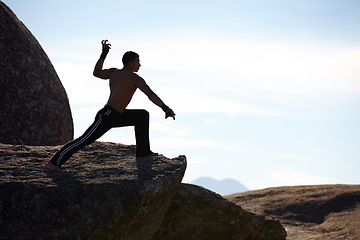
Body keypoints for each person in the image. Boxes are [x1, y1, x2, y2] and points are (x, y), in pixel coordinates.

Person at [43, 40, 175, 172]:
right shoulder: (133, 78)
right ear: (130, 63)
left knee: (142, 115)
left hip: (118, 115)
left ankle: (143, 151)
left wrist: (104, 55)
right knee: (84, 139)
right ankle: (54, 162)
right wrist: (165, 108)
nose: (140, 65)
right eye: (137, 62)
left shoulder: (114, 72)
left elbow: (97, 72)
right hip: (107, 115)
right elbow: (150, 94)